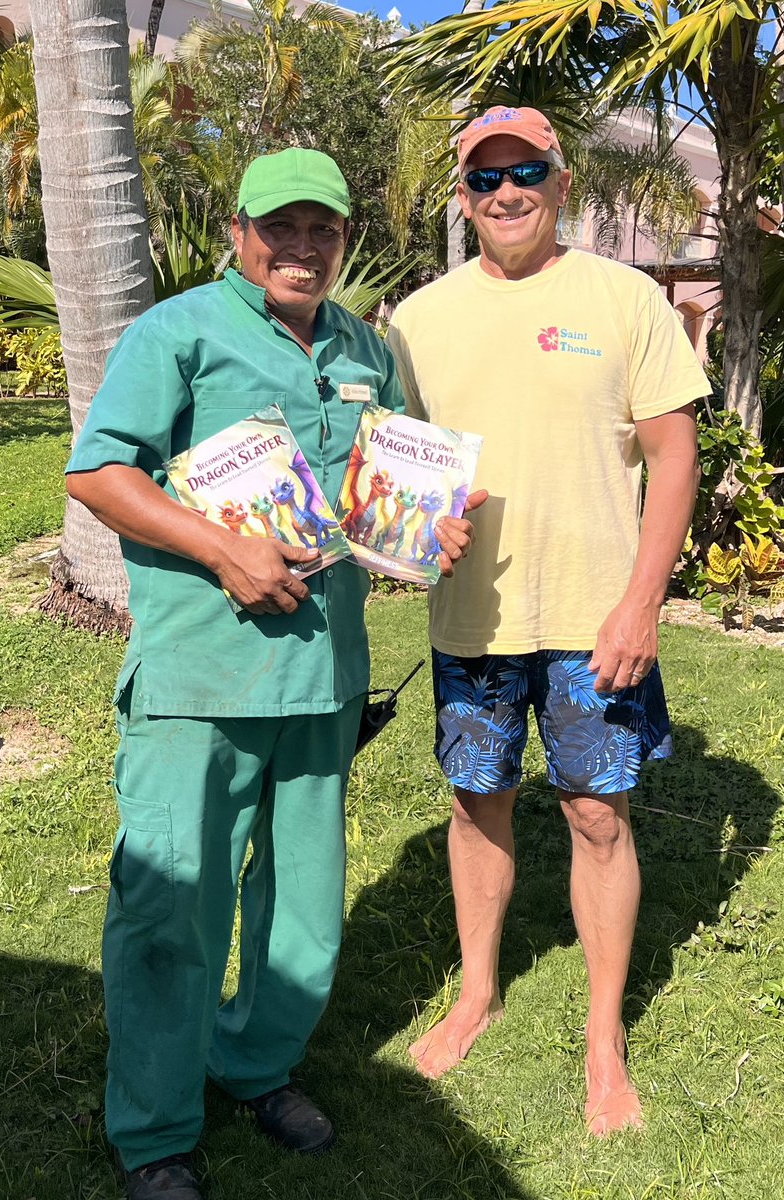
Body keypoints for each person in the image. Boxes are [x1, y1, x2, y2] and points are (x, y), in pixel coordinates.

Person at [66, 147, 478, 1200]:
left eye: (321, 229)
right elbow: (98, 470)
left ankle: (254, 1063)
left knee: (303, 904)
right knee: (173, 903)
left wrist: (426, 525)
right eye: (279, 226)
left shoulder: (362, 346)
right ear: (239, 232)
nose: (301, 246)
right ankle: (155, 1130)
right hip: (201, 677)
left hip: (322, 677)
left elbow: (380, 481)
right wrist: (221, 549)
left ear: (343, 239)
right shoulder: (180, 331)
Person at [385, 106, 709, 1136]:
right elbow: (395, 466)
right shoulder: (416, 320)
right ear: (462, 198)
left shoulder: (623, 297)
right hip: (471, 618)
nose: (505, 192)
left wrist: (641, 604)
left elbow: (672, 455)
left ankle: (603, 1041)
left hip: (592, 616)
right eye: (484, 178)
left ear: (561, 182)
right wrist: (412, 531)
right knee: (476, 802)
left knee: (597, 816)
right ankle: (477, 993)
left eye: (524, 171)